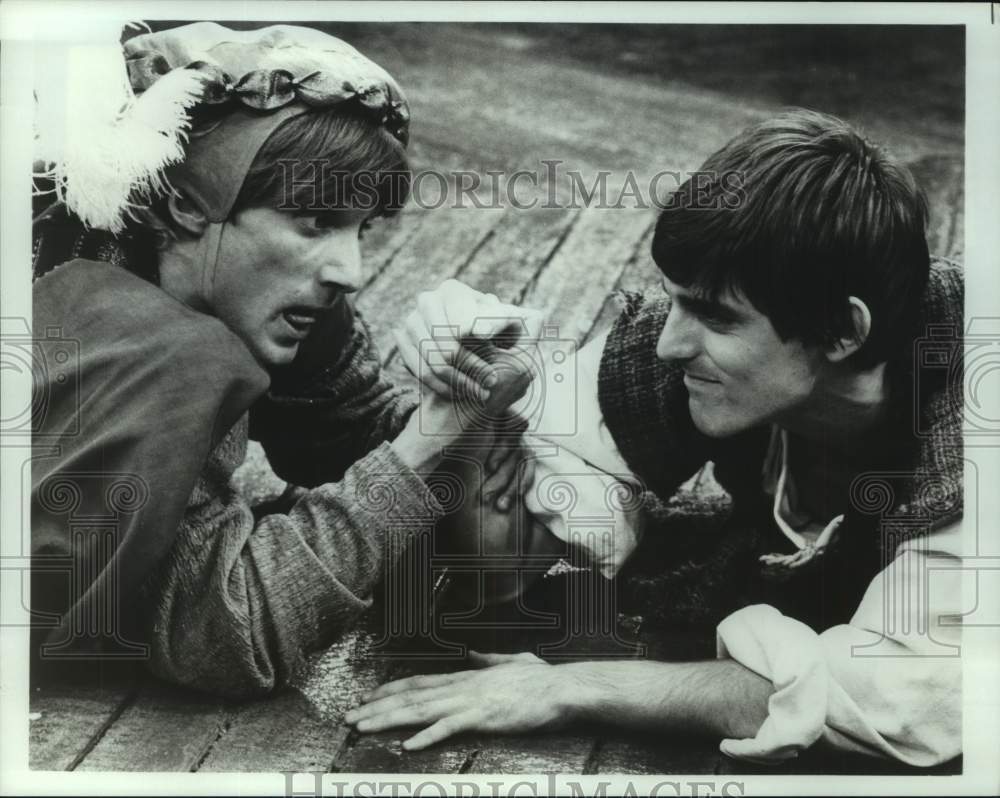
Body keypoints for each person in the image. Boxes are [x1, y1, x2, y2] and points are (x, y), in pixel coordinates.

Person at [347, 110, 965, 767]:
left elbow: (903, 700)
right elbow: (504, 552)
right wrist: (478, 411)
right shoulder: (699, 346)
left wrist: (571, 689)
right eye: (676, 301)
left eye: (714, 316)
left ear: (844, 332)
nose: (671, 343)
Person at [29, 21, 532, 697]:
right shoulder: (135, 343)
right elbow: (220, 633)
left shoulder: (260, 295)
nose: (349, 271)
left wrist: (470, 412)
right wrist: (426, 444)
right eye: (316, 221)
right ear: (184, 205)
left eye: (361, 228)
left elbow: (357, 443)